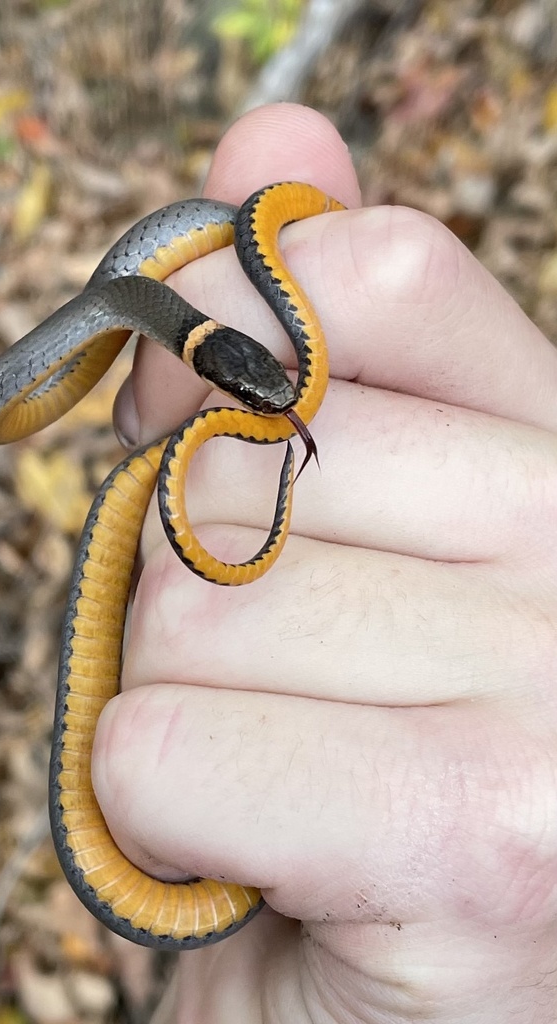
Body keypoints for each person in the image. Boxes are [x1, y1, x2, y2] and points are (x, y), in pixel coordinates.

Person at [100, 103, 557, 1021]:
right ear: (223, 372)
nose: (272, 401)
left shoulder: (222, 334)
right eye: (252, 388)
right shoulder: (144, 311)